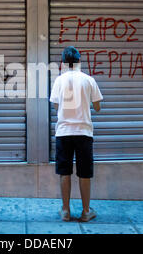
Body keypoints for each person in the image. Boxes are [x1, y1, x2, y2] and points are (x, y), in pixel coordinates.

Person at [49, 46, 103, 222]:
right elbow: (97, 107)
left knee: (65, 172)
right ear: (79, 61)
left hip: (64, 132)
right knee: (84, 173)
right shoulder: (89, 80)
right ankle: (86, 211)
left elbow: (56, 106)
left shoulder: (59, 80)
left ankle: (65, 210)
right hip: (84, 132)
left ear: (63, 63)